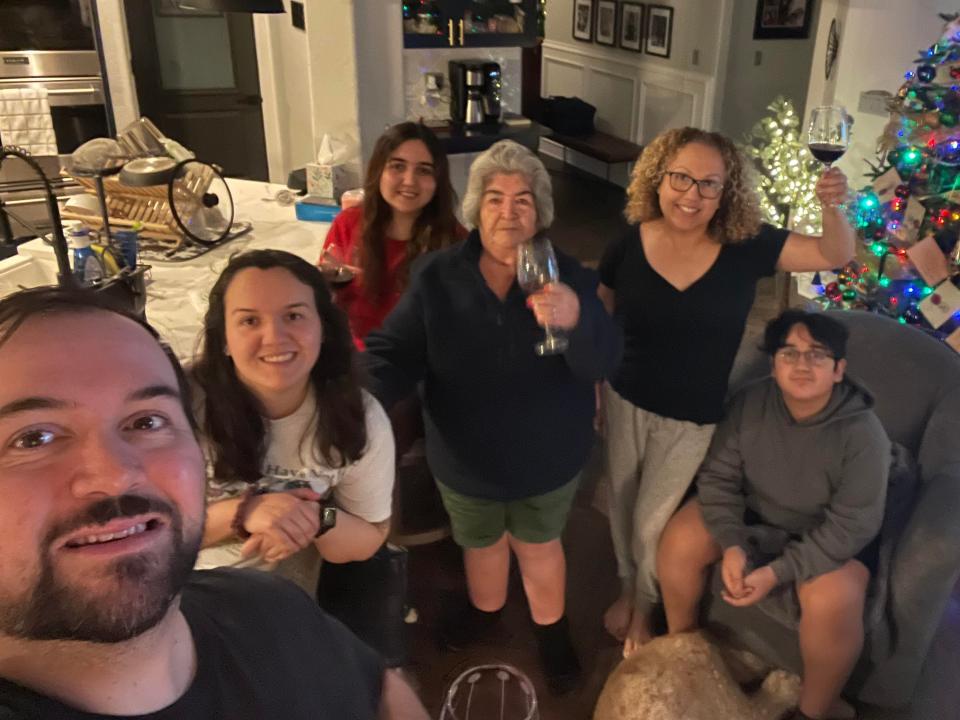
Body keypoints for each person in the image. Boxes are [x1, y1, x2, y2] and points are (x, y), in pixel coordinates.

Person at [0, 286, 429, 719]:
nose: (115, 474)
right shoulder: (211, 406)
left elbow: (380, 689)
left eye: (146, 421)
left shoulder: (267, 607)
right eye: (34, 437)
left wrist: (317, 516)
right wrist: (248, 512)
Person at [363, 139, 622, 694]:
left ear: (541, 212)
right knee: (479, 542)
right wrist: (356, 397)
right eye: (496, 199)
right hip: (465, 455)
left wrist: (578, 319)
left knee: (538, 544)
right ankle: (486, 611)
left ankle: (551, 632)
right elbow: (394, 352)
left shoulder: (567, 274)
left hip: (547, 455)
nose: (509, 211)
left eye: (523, 200)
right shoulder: (437, 276)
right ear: (476, 209)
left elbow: (603, 360)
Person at [598, 126, 856, 656]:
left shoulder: (748, 246)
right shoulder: (629, 239)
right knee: (621, 510)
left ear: (727, 191)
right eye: (681, 178)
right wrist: (597, 386)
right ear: (658, 177)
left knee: (653, 523)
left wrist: (835, 205)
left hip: (692, 417)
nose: (691, 195)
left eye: (709, 184)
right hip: (625, 399)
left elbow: (834, 254)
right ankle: (629, 590)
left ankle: (644, 610)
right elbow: (602, 310)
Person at [657, 309, 889, 720]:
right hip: (756, 516)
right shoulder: (750, 401)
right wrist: (732, 542)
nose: (802, 364)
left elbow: (852, 526)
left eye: (817, 355)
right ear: (773, 364)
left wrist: (775, 573)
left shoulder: (863, 435)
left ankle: (812, 710)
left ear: (839, 370)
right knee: (680, 539)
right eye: (790, 353)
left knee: (832, 598)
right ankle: (685, 650)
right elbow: (718, 477)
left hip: (825, 536)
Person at [192, 250, 395, 595]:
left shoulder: (358, 417)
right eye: (249, 321)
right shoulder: (178, 402)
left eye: (294, 316)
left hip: (276, 600)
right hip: (170, 590)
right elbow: (141, 528)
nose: (274, 337)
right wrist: (244, 513)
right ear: (223, 337)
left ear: (323, 328)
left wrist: (314, 519)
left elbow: (370, 536)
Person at [320, 121, 463, 349]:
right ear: (379, 171)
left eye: (424, 170)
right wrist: (326, 284)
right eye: (397, 166)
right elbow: (321, 309)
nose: (409, 181)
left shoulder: (456, 242)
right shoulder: (348, 223)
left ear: (438, 181)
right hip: (354, 362)